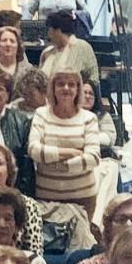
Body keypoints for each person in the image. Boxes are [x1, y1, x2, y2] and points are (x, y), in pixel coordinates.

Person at [28, 71, 100, 217]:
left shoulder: (89, 118)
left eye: (71, 84)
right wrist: (71, 153)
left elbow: (93, 158)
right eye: (60, 84)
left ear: (78, 89)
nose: (66, 88)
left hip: (83, 197)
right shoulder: (41, 114)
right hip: (47, 197)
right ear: (53, 89)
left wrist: (55, 164)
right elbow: (34, 150)